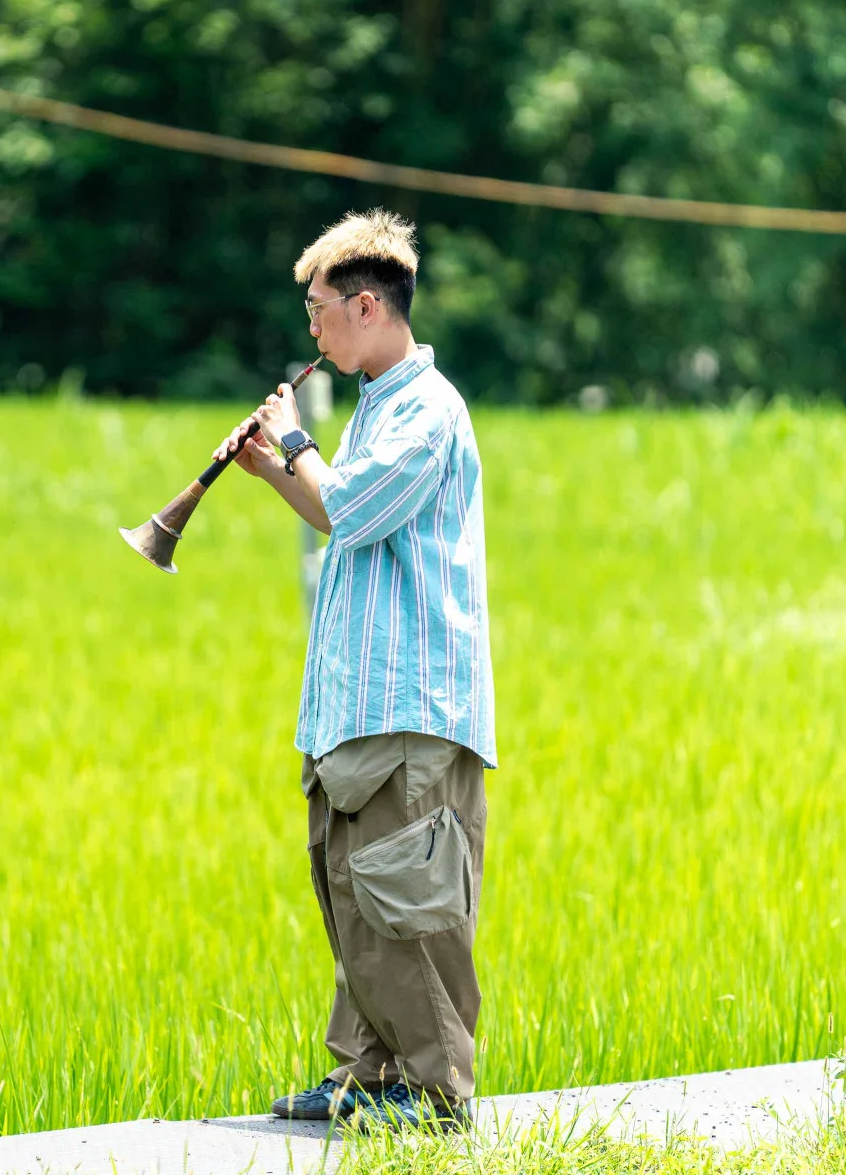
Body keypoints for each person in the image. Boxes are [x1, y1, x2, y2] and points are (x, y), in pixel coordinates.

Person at [213, 209, 497, 1132]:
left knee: (407, 900)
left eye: (319, 308)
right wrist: (270, 472)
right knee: (354, 898)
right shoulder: (380, 403)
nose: (312, 328)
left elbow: (356, 504)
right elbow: (338, 512)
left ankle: (435, 1092)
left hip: (411, 704)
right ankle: (372, 1078)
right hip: (354, 707)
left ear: (366, 305)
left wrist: (295, 441)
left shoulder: (427, 408)